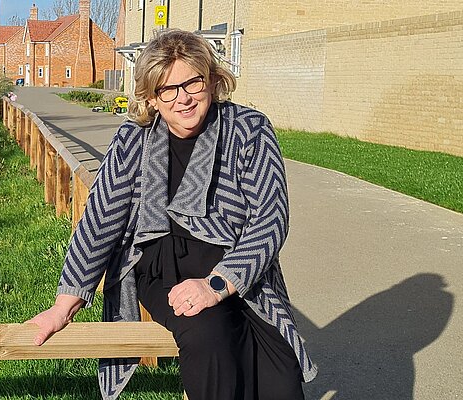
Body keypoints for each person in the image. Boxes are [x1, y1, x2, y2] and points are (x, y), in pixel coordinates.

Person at [27, 29, 317, 400]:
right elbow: (101, 219)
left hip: (236, 264)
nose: (183, 99)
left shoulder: (249, 129)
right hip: (164, 269)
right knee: (208, 335)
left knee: (279, 367)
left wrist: (217, 285)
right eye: (167, 89)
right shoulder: (135, 138)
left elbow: (271, 219)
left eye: (192, 83)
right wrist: (64, 304)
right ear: (152, 97)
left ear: (212, 80)